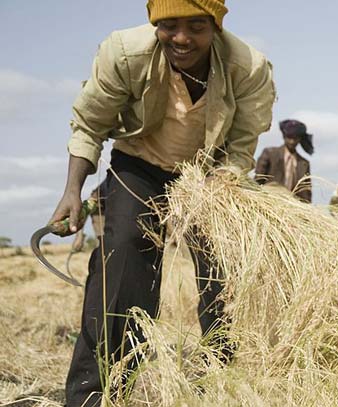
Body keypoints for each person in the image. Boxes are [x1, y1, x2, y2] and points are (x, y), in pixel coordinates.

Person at [48, 1, 276, 405]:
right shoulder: (124, 53)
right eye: (168, 26)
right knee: (122, 265)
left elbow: (242, 146)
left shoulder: (249, 67)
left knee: (222, 273)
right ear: (154, 23)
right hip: (140, 164)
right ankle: (98, 391)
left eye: (196, 27)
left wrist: (218, 186)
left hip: (210, 174)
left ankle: (222, 384)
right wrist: (72, 191)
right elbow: (90, 124)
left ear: (217, 27)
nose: (182, 38)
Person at [254, 119, 314, 202]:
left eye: (295, 138)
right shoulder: (270, 154)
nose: (292, 142)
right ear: (284, 136)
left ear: (299, 139)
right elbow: (258, 179)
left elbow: (306, 191)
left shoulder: (304, 163)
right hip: (270, 201)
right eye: (289, 138)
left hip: (293, 206)